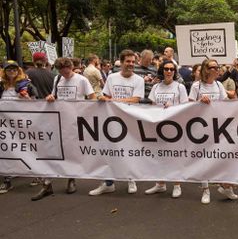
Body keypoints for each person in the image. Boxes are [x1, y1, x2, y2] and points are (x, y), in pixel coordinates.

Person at [32, 58, 96, 201]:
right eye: (62, 72)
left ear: (72, 67)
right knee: (53, 151)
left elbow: (92, 97)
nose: (65, 74)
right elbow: (54, 95)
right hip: (58, 120)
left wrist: (84, 111)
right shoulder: (57, 79)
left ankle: (71, 179)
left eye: (67, 72)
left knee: (71, 152)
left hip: (74, 122)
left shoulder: (81, 80)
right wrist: (50, 97)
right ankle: (47, 183)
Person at [89, 49, 145, 196]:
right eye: (128, 61)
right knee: (110, 151)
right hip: (112, 121)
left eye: (133, 61)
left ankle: (131, 179)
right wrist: (103, 98)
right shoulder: (112, 78)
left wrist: (112, 100)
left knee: (129, 151)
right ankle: (108, 183)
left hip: (130, 122)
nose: (131, 64)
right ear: (121, 62)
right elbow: (106, 96)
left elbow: (135, 99)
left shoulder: (139, 80)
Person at [188, 58, 237, 204]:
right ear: (206, 70)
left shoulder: (218, 85)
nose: (217, 69)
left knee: (222, 157)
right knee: (203, 159)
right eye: (214, 67)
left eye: (218, 67)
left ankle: (226, 186)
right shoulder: (197, 86)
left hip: (217, 127)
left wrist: (234, 98)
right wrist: (199, 102)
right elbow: (189, 106)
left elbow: (225, 104)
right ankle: (206, 190)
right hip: (200, 127)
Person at [144, 60, 188, 198]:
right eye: (166, 69)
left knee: (175, 156)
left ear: (175, 72)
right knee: (159, 156)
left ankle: (177, 185)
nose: (169, 71)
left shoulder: (180, 87)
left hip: (175, 127)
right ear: (162, 71)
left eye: (171, 69)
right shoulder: (156, 87)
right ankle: (160, 184)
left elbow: (185, 107)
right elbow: (151, 106)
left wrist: (173, 107)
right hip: (158, 126)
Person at [0, 61, 38, 194]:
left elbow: (36, 103)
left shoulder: (26, 84)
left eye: (14, 69)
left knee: (27, 149)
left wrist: (26, 97)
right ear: (4, 71)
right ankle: (7, 180)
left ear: (18, 70)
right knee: (6, 151)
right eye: (8, 69)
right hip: (5, 127)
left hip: (22, 124)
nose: (11, 71)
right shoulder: (1, 85)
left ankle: (35, 174)